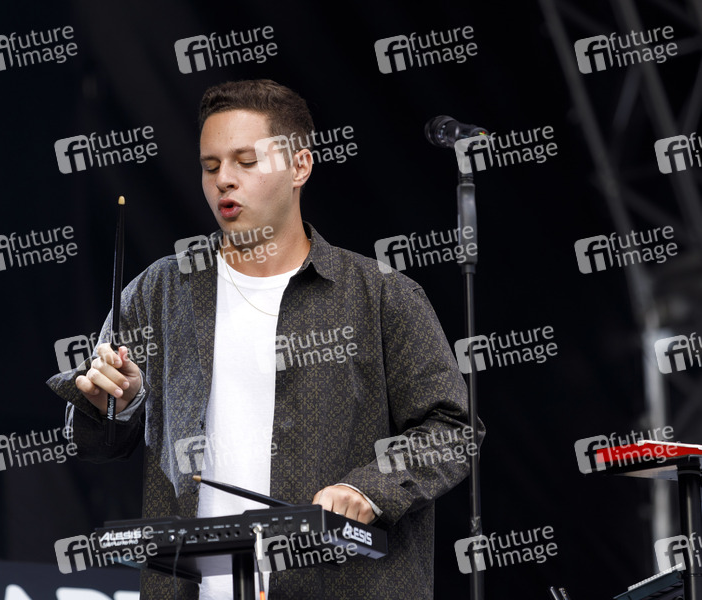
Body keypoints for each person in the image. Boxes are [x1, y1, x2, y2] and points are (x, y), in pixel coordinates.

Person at [47, 78, 484, 599]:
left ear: (300, 166)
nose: (224, 181)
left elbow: (452, 429)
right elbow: (95, 443)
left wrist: (369, 489)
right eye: (210, 166)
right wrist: (115, 404)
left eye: (246, 162)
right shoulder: (158, 291)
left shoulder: (381, 295)